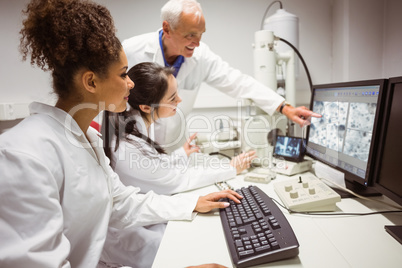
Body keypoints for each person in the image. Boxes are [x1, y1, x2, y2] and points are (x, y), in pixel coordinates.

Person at [0, 1, 242, 267]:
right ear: (91, 82)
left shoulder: (87, 139)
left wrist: (192, 204)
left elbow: (120, 203)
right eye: (123, 74)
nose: (131, 83)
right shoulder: (23, 154)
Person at [100, 62, 256, 267]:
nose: (179, 100)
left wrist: (182, 154)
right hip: (127, 236)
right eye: (173, 98)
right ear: (147, 107)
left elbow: (157, 165)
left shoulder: (135, 127)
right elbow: (175, 179)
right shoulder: (127, 147)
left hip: (141, 220)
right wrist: (231, 168)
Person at [123, 0, 321, 153]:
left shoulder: (201, 56)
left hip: (173, 150)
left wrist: (283, 107)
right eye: (190, 35)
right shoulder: (131, 51)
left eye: (201, 34)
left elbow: (237, 82)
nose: (197, 43)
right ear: (167, 29)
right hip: (133, 149)